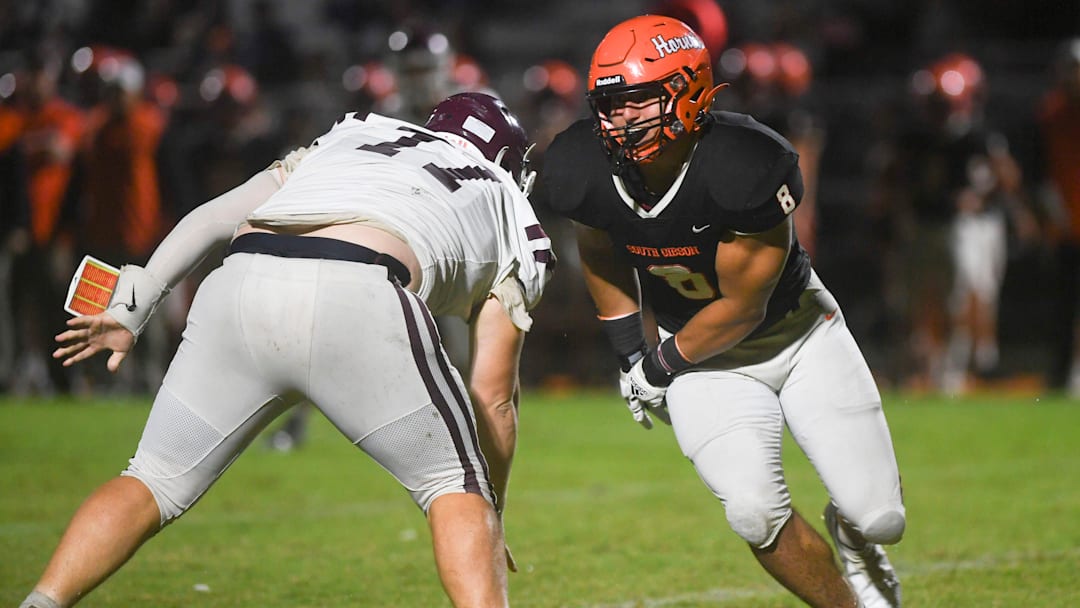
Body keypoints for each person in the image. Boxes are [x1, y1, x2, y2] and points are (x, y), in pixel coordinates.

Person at [20, 92, 553, 608]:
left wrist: (133, 307)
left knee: (151, 479)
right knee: (451, 484)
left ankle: (41, 601)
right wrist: (489, 507)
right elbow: (493, 397)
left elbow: (212, 218)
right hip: (360, 292)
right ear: (509, 163)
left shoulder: (360, 134)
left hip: (242, 282)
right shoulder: (507, 203)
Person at [541, 15, 904, 608]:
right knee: (754, 513)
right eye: (608, 103)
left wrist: (655, 366)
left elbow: (742, 306)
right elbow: (599, 243)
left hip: (797, 336)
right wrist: (629, 350)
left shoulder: (747, 163)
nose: (619, 118)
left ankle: (854, 533)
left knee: (881, 515)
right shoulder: (582, 164)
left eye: (636, 101)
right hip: (700, 360)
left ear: (686, 92)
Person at [1038, 38, 1080, 393]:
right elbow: (1044, 173)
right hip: (1067, 227)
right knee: (1064, 305)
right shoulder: (1052, 112)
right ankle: (1063, 374)